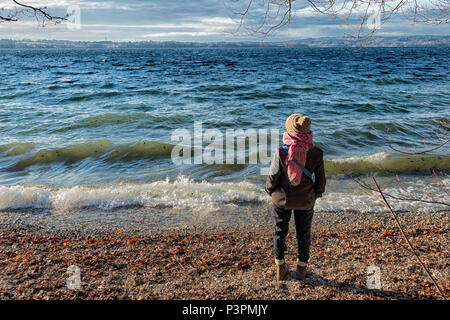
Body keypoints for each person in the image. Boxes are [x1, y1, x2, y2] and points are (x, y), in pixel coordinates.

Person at [265, 113, 326, 281]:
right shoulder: (316, 153)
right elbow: (321, 181)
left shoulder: (281, 151)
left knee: (280, 230)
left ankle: (280, 267)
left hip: (282, 199)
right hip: (305, 200)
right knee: (303, 233)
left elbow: (272, 177)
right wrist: (317, 194)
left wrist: (270, 190)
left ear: (289, 129)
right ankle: (301, 269)